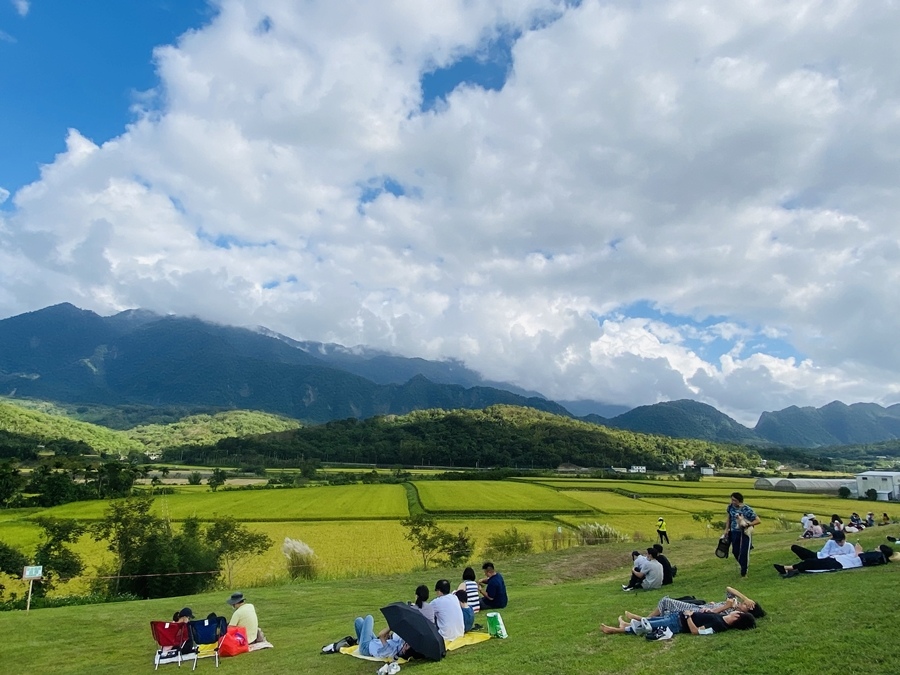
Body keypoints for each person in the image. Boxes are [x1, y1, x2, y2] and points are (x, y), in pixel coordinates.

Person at [600, 608, 756, 637]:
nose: (736, 611)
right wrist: (707, 612)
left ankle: (614, 630)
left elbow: (696, 631)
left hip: (678, 624)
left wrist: (688, 617)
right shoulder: (721, 619)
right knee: (650, 621)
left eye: (739, 613)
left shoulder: (720, 627)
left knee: (647, 627)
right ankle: (626, 624)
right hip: (676, 618)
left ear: (737, 618)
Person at [774, 542, 895, 577]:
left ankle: (786, 568)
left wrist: (859, 549)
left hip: (840, 563)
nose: (875, 548)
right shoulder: (878, 558)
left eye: (877, 547)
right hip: (839, 561)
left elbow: (860, 556)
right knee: (812, 562)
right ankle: (788, 569)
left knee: (811, 563)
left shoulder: (875, 555)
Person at [723, 492, 760, 578]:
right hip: (734, 532)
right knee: (735, 551)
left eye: (734, 500)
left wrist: (748, 524)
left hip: (744, 533)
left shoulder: (747, 509)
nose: (732, 502)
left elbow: (758, 520)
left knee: (744, 552)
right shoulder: (730, 507)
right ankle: (742, 565)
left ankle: (744, 573)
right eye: (732, 500)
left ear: (739, 501)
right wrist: (726, 529)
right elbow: (729, 518)